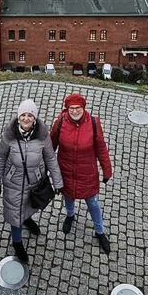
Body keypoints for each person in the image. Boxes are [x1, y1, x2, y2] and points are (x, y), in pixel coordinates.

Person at [0, 98, 63, 264]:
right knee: (15, 214)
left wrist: (57, 182)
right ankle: (17, 243)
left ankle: (27, 219)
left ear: (35, 118)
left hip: (34, 182)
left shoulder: (42, 136)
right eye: (23, 115)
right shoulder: (9, 135)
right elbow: (0, 157)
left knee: (29, 206)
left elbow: (51, 158)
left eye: (30, 115)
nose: (26, 119)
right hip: (13, 183)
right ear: (18, 117)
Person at [51, 92, 113, 254]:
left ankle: (100, 231)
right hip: (65, 170)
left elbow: (101, 148)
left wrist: (107, 169)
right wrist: (45, 167)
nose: (75, 111)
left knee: (92, 203)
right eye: (71, 108)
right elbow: (51, 146)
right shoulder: (60, 122)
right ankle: (70, 215)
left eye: (78, 108)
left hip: (87, 173)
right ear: (67, 109)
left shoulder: (93, 123)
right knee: (68, 196)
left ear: (83, 108)